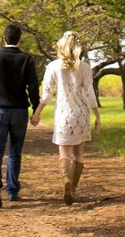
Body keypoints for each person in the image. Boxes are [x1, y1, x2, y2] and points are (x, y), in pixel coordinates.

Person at [31, 30, 101, 205]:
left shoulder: (53, 66)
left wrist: (37, 113)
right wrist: (97, 116)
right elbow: (90, 93)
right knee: (79, 154)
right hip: (81, 114)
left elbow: (47, 94)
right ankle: (74, 189)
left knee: (64, 153)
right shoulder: (84, 67)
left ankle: (66, 182)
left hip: (63, 115)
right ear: (78, 47)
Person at [0, 22, 40, 208]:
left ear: (4, 38)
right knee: (15, 151)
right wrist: (35, 108)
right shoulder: (26, 59)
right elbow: (33, 88)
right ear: (20, 39)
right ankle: (12, 191)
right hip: (19, 110)